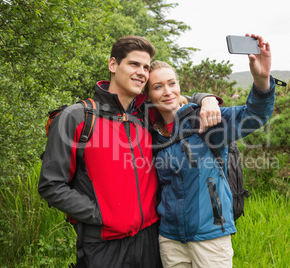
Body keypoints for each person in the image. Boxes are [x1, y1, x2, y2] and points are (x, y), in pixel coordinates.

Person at [38, 35, 221, 268]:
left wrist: (206, 99)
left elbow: (174, 96)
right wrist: (100, 215)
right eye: (134, 64)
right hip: (102, 245)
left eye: (146, 67)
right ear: (113, 65)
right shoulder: (77, 117)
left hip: (150, 240)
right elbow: (50, 185)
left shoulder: (146, 115)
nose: (142, 72)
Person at [144, 34, 275, 267]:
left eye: (172, 83)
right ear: (149, 95)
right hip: (169, 239)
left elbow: (253, 116)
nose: (167, 91)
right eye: (158, 87)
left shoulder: (206, 119)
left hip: (211, 236)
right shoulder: (151, 133)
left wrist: (261, 80)